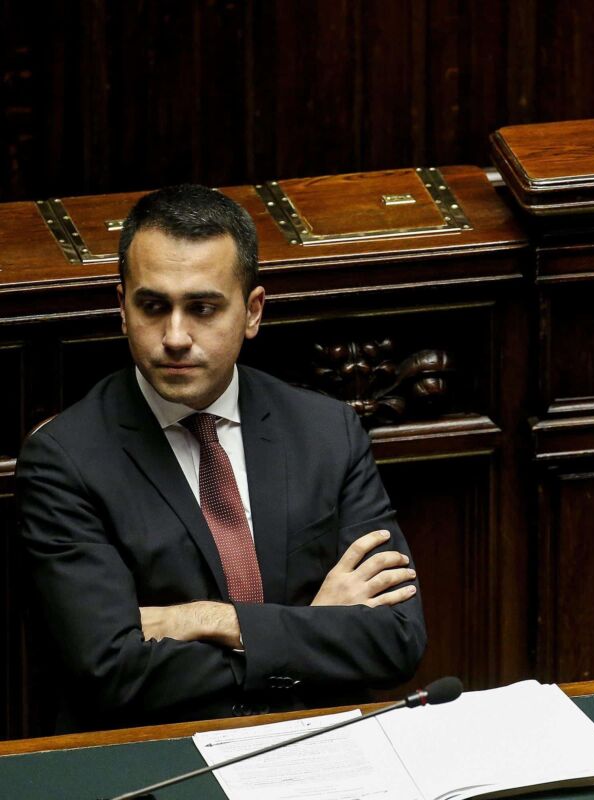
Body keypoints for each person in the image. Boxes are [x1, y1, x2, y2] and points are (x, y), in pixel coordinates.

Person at [18, 184, 426, 731]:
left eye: (203, 307)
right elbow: (110, 671)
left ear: (252, 311)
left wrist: (207, 620)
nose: (176, 336)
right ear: (121, 308)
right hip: (166, 756)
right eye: (153, 306)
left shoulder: (326, 431)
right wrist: (309, 627)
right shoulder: (65, 460)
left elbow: (396, 639)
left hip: (326, 741)